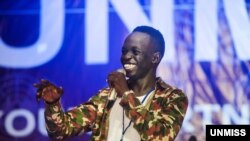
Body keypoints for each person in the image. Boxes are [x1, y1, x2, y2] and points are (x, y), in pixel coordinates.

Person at [34, 25, 188, 141]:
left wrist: (126, 94)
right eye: (124, 51)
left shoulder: (172, 98)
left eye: (135, 52)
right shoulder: (107, 97)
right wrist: (53, 104)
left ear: (155, 58)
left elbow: (160, 137)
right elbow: (61, 131)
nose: (126, 56)